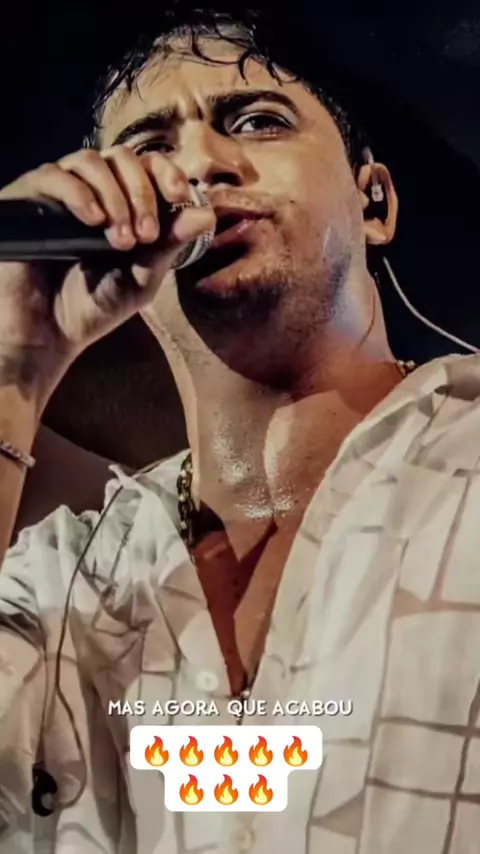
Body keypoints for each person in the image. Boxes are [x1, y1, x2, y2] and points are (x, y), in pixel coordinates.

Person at [0, 8, 479, 853]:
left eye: (257, 121)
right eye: (148, 148)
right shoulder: (63, 578)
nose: (198, 164)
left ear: (373, 202)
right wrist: (15, 365)